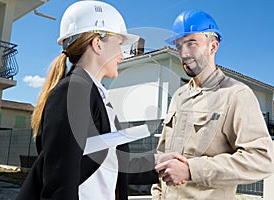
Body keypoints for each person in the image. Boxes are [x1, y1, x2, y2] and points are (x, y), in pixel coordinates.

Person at [16, 1, 176, 199]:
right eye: (119, 45)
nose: (122, 54)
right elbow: (60, 183)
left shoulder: (95, 95)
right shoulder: (72, 92)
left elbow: (109, 164)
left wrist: (158, 164)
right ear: (97, 44)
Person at [151, 10, 274, 199]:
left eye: (192, 43)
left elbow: (261, 160)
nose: (184, 54)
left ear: (213, 46)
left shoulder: (236, 95)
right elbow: (163, 156)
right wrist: (157, 195)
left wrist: (191, 170)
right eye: (179, 46)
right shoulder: (179, 96)